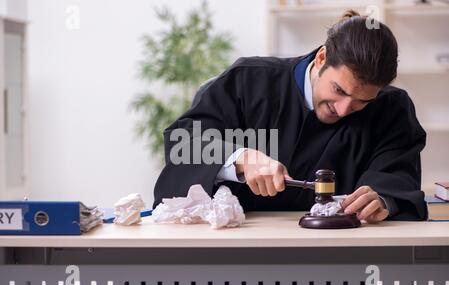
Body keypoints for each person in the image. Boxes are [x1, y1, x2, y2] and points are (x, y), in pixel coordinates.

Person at [153, 10, 428, 222]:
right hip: (234, 244)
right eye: (338, 90)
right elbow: (183, 144)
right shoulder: (247, 81)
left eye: (361, 101)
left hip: (342, 251)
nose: (344, 109)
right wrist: (239, 159)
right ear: (322, 59)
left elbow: (398, 178)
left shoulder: (392, 109)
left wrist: (383, 199)